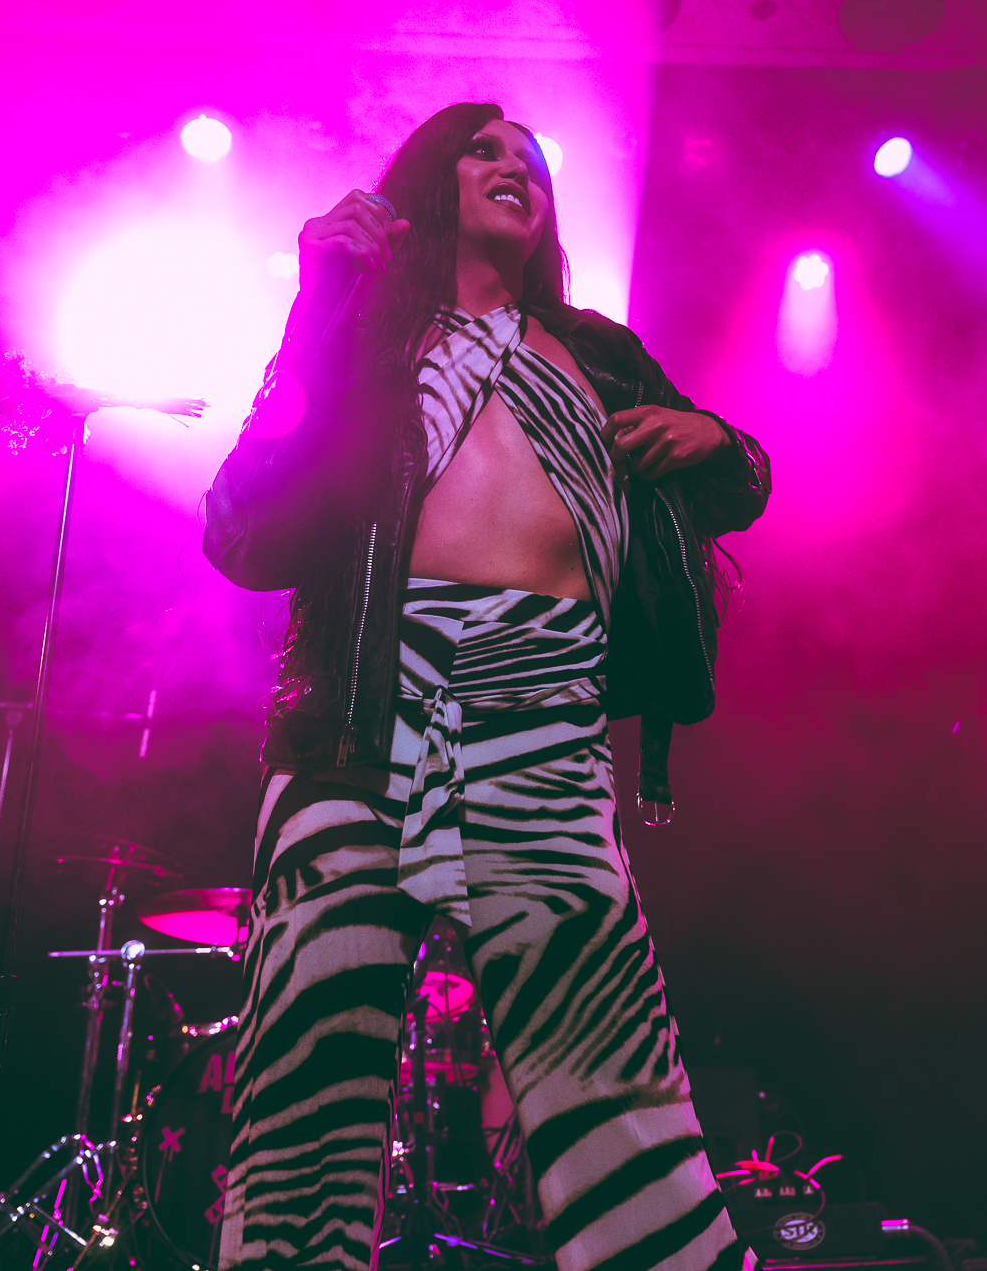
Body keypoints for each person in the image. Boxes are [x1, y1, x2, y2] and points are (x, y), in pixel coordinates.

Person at [202, 102, 770, 1271]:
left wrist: (715, 442)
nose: (516, 167)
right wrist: (317, 305)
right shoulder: (365, 339)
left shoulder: (598, 352)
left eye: (533, 164)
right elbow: (243, 535)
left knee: (619, 1092)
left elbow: (739, 484)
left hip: (544, 724)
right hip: (364, 723)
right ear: (426, 182)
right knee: (304, 1106)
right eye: (485, 150)